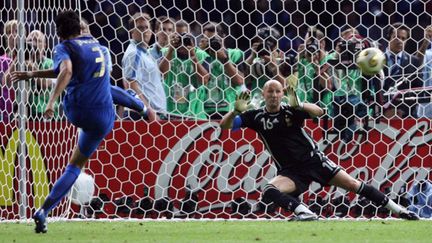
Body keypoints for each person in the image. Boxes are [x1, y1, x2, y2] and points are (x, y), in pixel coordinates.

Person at [219, 79, 419, 221]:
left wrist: (299, 104)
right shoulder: (255, 117)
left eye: (277, 91)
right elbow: (225, 125)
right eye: (269, 91)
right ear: (263, 94)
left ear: (282, 94)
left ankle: (399, 210)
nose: (273, 95)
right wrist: (235, 111)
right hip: (290, 171)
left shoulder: (291, 110)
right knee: (270, 190)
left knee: (353, 184)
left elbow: (320, 112)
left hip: (314, 160)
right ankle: (305, 212)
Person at [28, 10, 116, 233]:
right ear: (80, 29)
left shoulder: (63, 47)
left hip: (76, 111)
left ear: (58, 32)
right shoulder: (99, 46)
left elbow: (65, 70)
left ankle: (43, 212)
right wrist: (33, 75)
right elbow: (67, 70)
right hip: (103, 115)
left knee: (74, 165)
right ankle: (142, 107)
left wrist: (51, 102)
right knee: (76, 165)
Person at [11, 19, 154, 121]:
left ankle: (136, 103)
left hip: (95, 94)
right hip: (77, 99)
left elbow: (103, 75)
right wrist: (31, 73)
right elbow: (62, 71)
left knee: (100, 88)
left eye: (85, 30)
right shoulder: (69, 50)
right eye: (80, 31)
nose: (82, 34)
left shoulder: (101, 50)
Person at [122, 13, 166, 120]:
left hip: (152, 114)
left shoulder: (146, 53)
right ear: (131, 31)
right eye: (140, 28)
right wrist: (149, 111)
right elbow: (131, 85)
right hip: (143, 116)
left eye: (147, 27)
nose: (145, 31)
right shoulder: (134, 53)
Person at [382, 23, 422, 118]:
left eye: (403, 38)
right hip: (380, 115)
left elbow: (417, 89)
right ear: (389, 37)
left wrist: (401, 111)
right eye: (396, 37)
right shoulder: (376, 60)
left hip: (405, 116)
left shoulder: (414, 61)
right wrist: (383, 111)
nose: (399, 41)